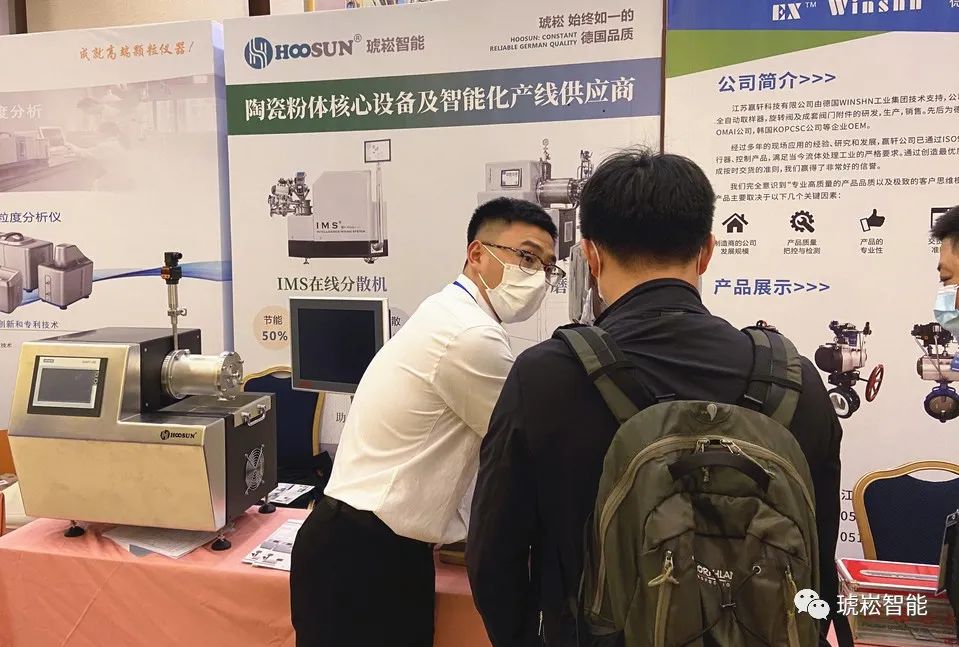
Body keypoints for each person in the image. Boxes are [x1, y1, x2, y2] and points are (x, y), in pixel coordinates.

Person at [467, 150, 843, 646]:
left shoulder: (546, 378)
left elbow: (495, 559)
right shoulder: (797, 384)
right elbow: (817, 560)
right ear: (707, 251)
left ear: (590, 255)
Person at [290, 196, 562, 647]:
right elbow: (531, 447)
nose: (537, 276)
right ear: (477, 253)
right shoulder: (470, 336)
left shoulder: (449, 311)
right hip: (365, 558)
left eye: (548, 268)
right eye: (527, 258)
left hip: (365, 544)